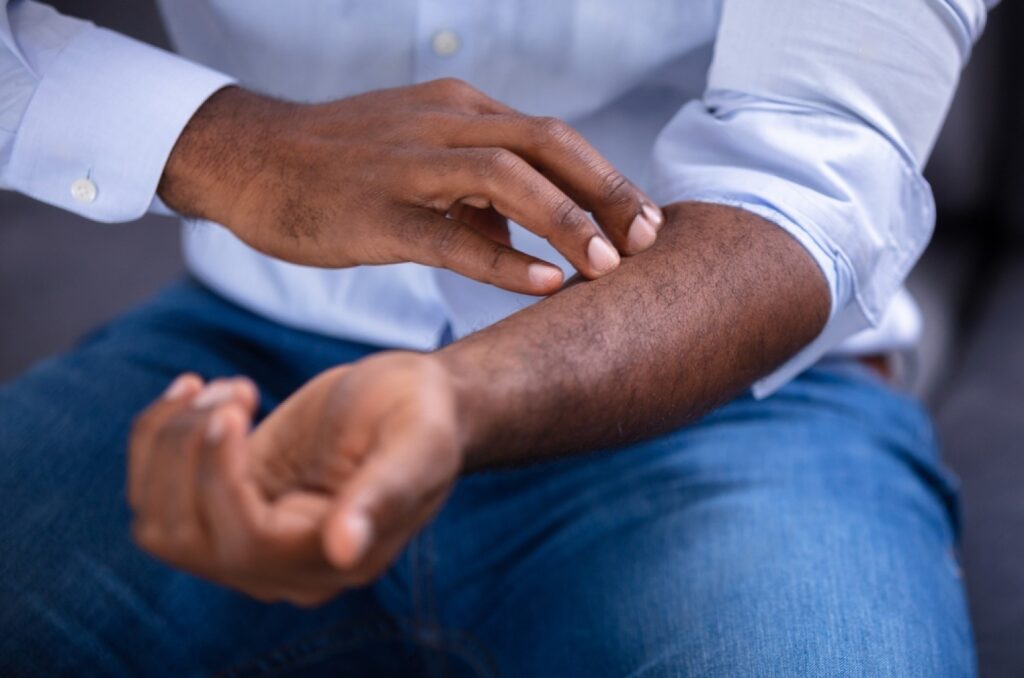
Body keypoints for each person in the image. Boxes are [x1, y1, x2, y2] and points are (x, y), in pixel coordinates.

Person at [0, 1, 995, 675]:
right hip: (241, 339)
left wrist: (457, 398)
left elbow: (808, 182)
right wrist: (218, 144)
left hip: (736, 392)